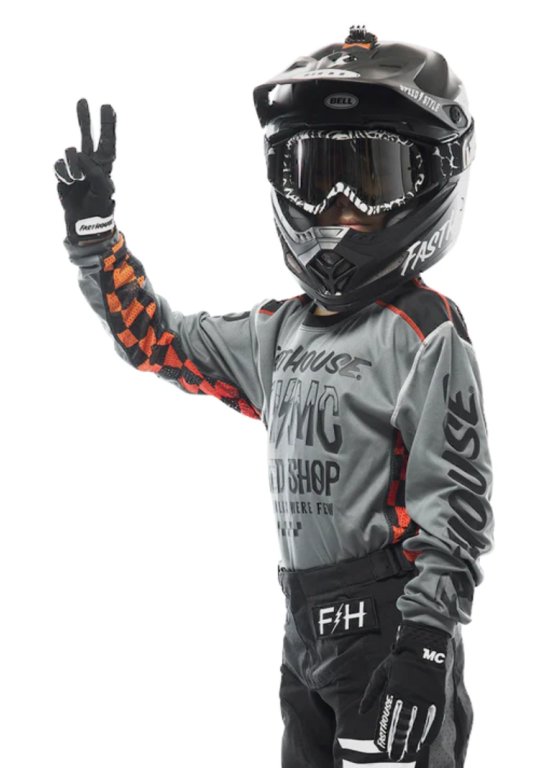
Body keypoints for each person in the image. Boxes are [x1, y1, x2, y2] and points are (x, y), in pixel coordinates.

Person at [53, 25, 493, 768]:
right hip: (304, 631)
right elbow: (157, 340)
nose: (340, 205)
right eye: (317, 177)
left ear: (431, 177)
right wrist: (97, 238)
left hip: (388, 632)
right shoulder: (278, 332)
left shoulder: (422, 331)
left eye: (371, 179)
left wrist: (426, 641)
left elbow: (457, 502)